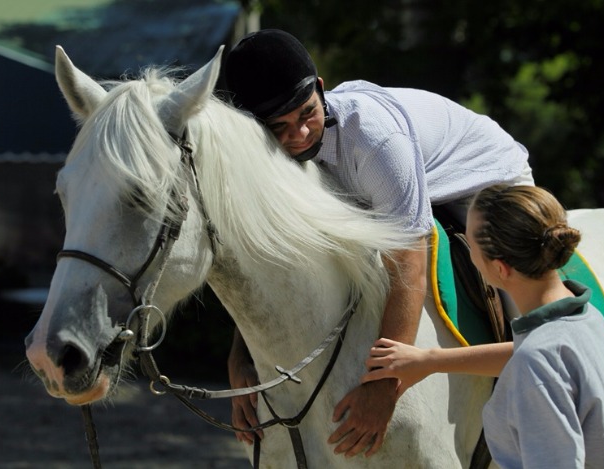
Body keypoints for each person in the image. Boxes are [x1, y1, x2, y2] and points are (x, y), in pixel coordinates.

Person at [223, 28, 534, 458]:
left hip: (484, 180)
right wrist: (242, 362)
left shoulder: (373, 137)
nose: (299, 135)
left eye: (307, 114)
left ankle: (540, 397)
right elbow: (276, 264)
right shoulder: (268, 159)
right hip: (406, 181)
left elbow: (408, 257)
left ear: (319, 89)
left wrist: (384, 387)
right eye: (279, 128)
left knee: (519, 299)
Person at [363, 184, 604, 468]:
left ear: (500, 269)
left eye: (471, 246)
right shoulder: (585, 319)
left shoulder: (536, 364)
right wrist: (430, 360)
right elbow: (535, 356)